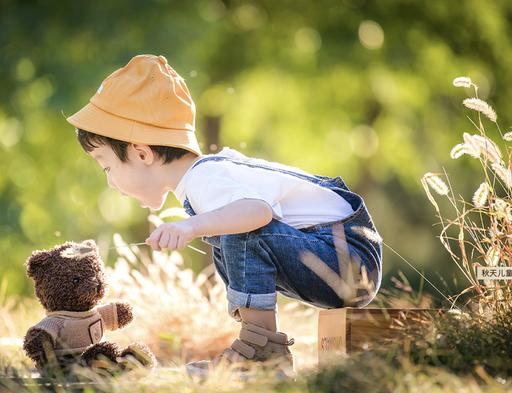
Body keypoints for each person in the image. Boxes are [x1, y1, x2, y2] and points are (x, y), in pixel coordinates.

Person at [67, 54, 383, 374]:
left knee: (237, 228)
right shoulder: (205, 179)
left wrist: (191, 226)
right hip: (341, 257)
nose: (109, 180)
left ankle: (261, 352)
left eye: (107, 166)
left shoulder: (205, 179)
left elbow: (257, 212)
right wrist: (196, 226)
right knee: (225, 233)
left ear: (141, 153)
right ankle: (257, 345)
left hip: (348, 259)